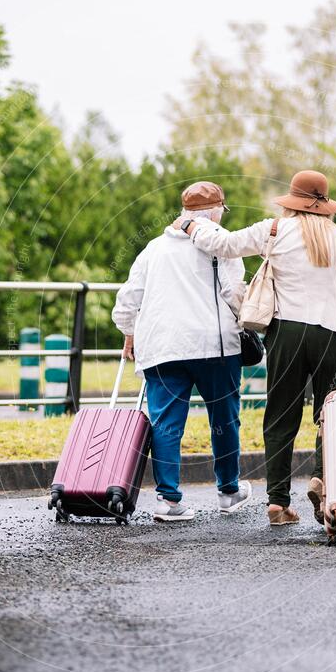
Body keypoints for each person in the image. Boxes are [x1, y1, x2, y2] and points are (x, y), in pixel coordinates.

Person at [173, 170, 336, 526]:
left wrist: (192, 226)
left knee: (281, 415)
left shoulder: (273, 230)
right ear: (325, 204)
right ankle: (322, 479)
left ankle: (278, 502)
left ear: (292, 201)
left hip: (286, 332)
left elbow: (225, 244)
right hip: (335, 336)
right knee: (331, 415)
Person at [112, 181, 252, 522]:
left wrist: (129, 331)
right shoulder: (221, 243)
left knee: (166, 423)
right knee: (224, 419)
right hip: (213, 346)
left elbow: (128, 299)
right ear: (216, 211)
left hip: (162, 345)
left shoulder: (153, 249)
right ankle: (229, 492)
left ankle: (168, 500)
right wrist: (248, 318)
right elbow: (234, 294)